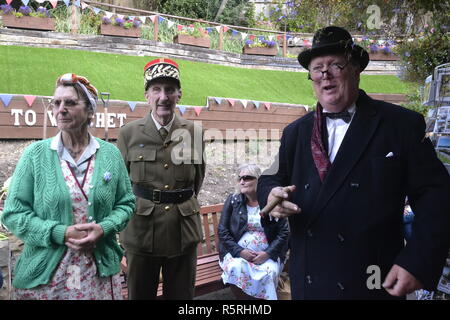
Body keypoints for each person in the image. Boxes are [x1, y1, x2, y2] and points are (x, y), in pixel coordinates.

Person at [257, 26, 450, 300]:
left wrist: (416, 261)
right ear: (311, 78)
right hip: (309, 281)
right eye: (317, 68)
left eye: (336, 64)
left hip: (372, 283)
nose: (325, 74)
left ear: (357, 69)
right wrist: (271, 195)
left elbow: (437, 196)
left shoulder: (401, 126)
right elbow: (269, 179)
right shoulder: (295, 133)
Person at [1, 73, 135, 300]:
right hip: (48, 278)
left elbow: (126, 204)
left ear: (90, 111)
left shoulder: (110, 154)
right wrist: (59, 233)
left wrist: (104, 228)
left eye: (70, 103)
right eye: (56, 103)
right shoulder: (35, 155)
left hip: (97, 277)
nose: (61, 109)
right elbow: (13, 213)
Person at [117, 58, 205, 300]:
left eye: (169, 90)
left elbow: (197, 180)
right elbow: (121, 185)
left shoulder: (194, 133)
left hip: (182, 232)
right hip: (141, 233)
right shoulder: (128, 134)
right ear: (147, 95)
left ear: (179, 94)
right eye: (156, 89)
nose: (163, 97)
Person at [218, 164, 289, 300]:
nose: (242, 181)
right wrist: (239, 251)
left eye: (247, 177)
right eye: (240, 178)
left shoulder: (271, 201)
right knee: (235, 267)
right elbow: (222, 231)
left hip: (267, 254)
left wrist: (267, 254)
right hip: (237, 253)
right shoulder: (233, 200)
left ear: (259, 180)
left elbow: (284, 233)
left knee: (269, 272)